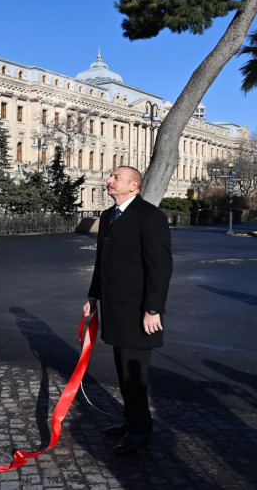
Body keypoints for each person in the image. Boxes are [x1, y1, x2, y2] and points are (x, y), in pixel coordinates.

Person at [83, 166, 172, 456]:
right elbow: (102, 261)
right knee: (123, 371)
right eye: (109, 176)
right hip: (115, 308)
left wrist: (153, 308)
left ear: (134, 186)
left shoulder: (150, 216)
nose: (108, 180)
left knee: (135, 375)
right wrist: (93, 296)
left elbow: (160, 268)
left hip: (138, 311)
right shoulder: (109, 216)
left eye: (116, 177)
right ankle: (131, 421)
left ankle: (140, 431)